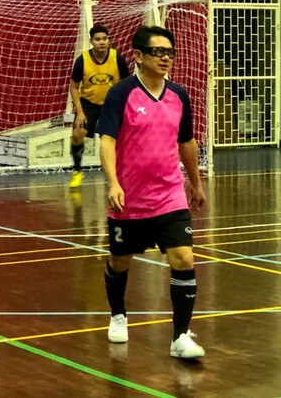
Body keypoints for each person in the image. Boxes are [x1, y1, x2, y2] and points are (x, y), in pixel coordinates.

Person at [96, 24, 207, 360]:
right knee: (120, 261)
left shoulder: (179, 96)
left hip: (170, 195)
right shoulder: (121, 94)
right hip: (129, 199)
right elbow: (107, 141)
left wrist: (196, 183)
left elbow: (186, 142)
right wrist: (113, 182)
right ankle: (118, 314)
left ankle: (180, 336)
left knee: (183, 259)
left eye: (170, 53)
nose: (165, 58)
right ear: (139, 56)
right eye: (158, 52)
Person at [69, 25, 130, 188]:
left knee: (113, 140)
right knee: (78, 133)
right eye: (97, 39)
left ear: (109, 40)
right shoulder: (82, 60)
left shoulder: (117, 58)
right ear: (91, 41)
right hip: (89, 103)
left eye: (105, 39)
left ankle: (119, 172)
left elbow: (127, 83)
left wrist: (125, 106)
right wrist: (80, 112)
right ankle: (77, 170)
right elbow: (74, 87)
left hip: (111, 104)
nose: (102, 42)